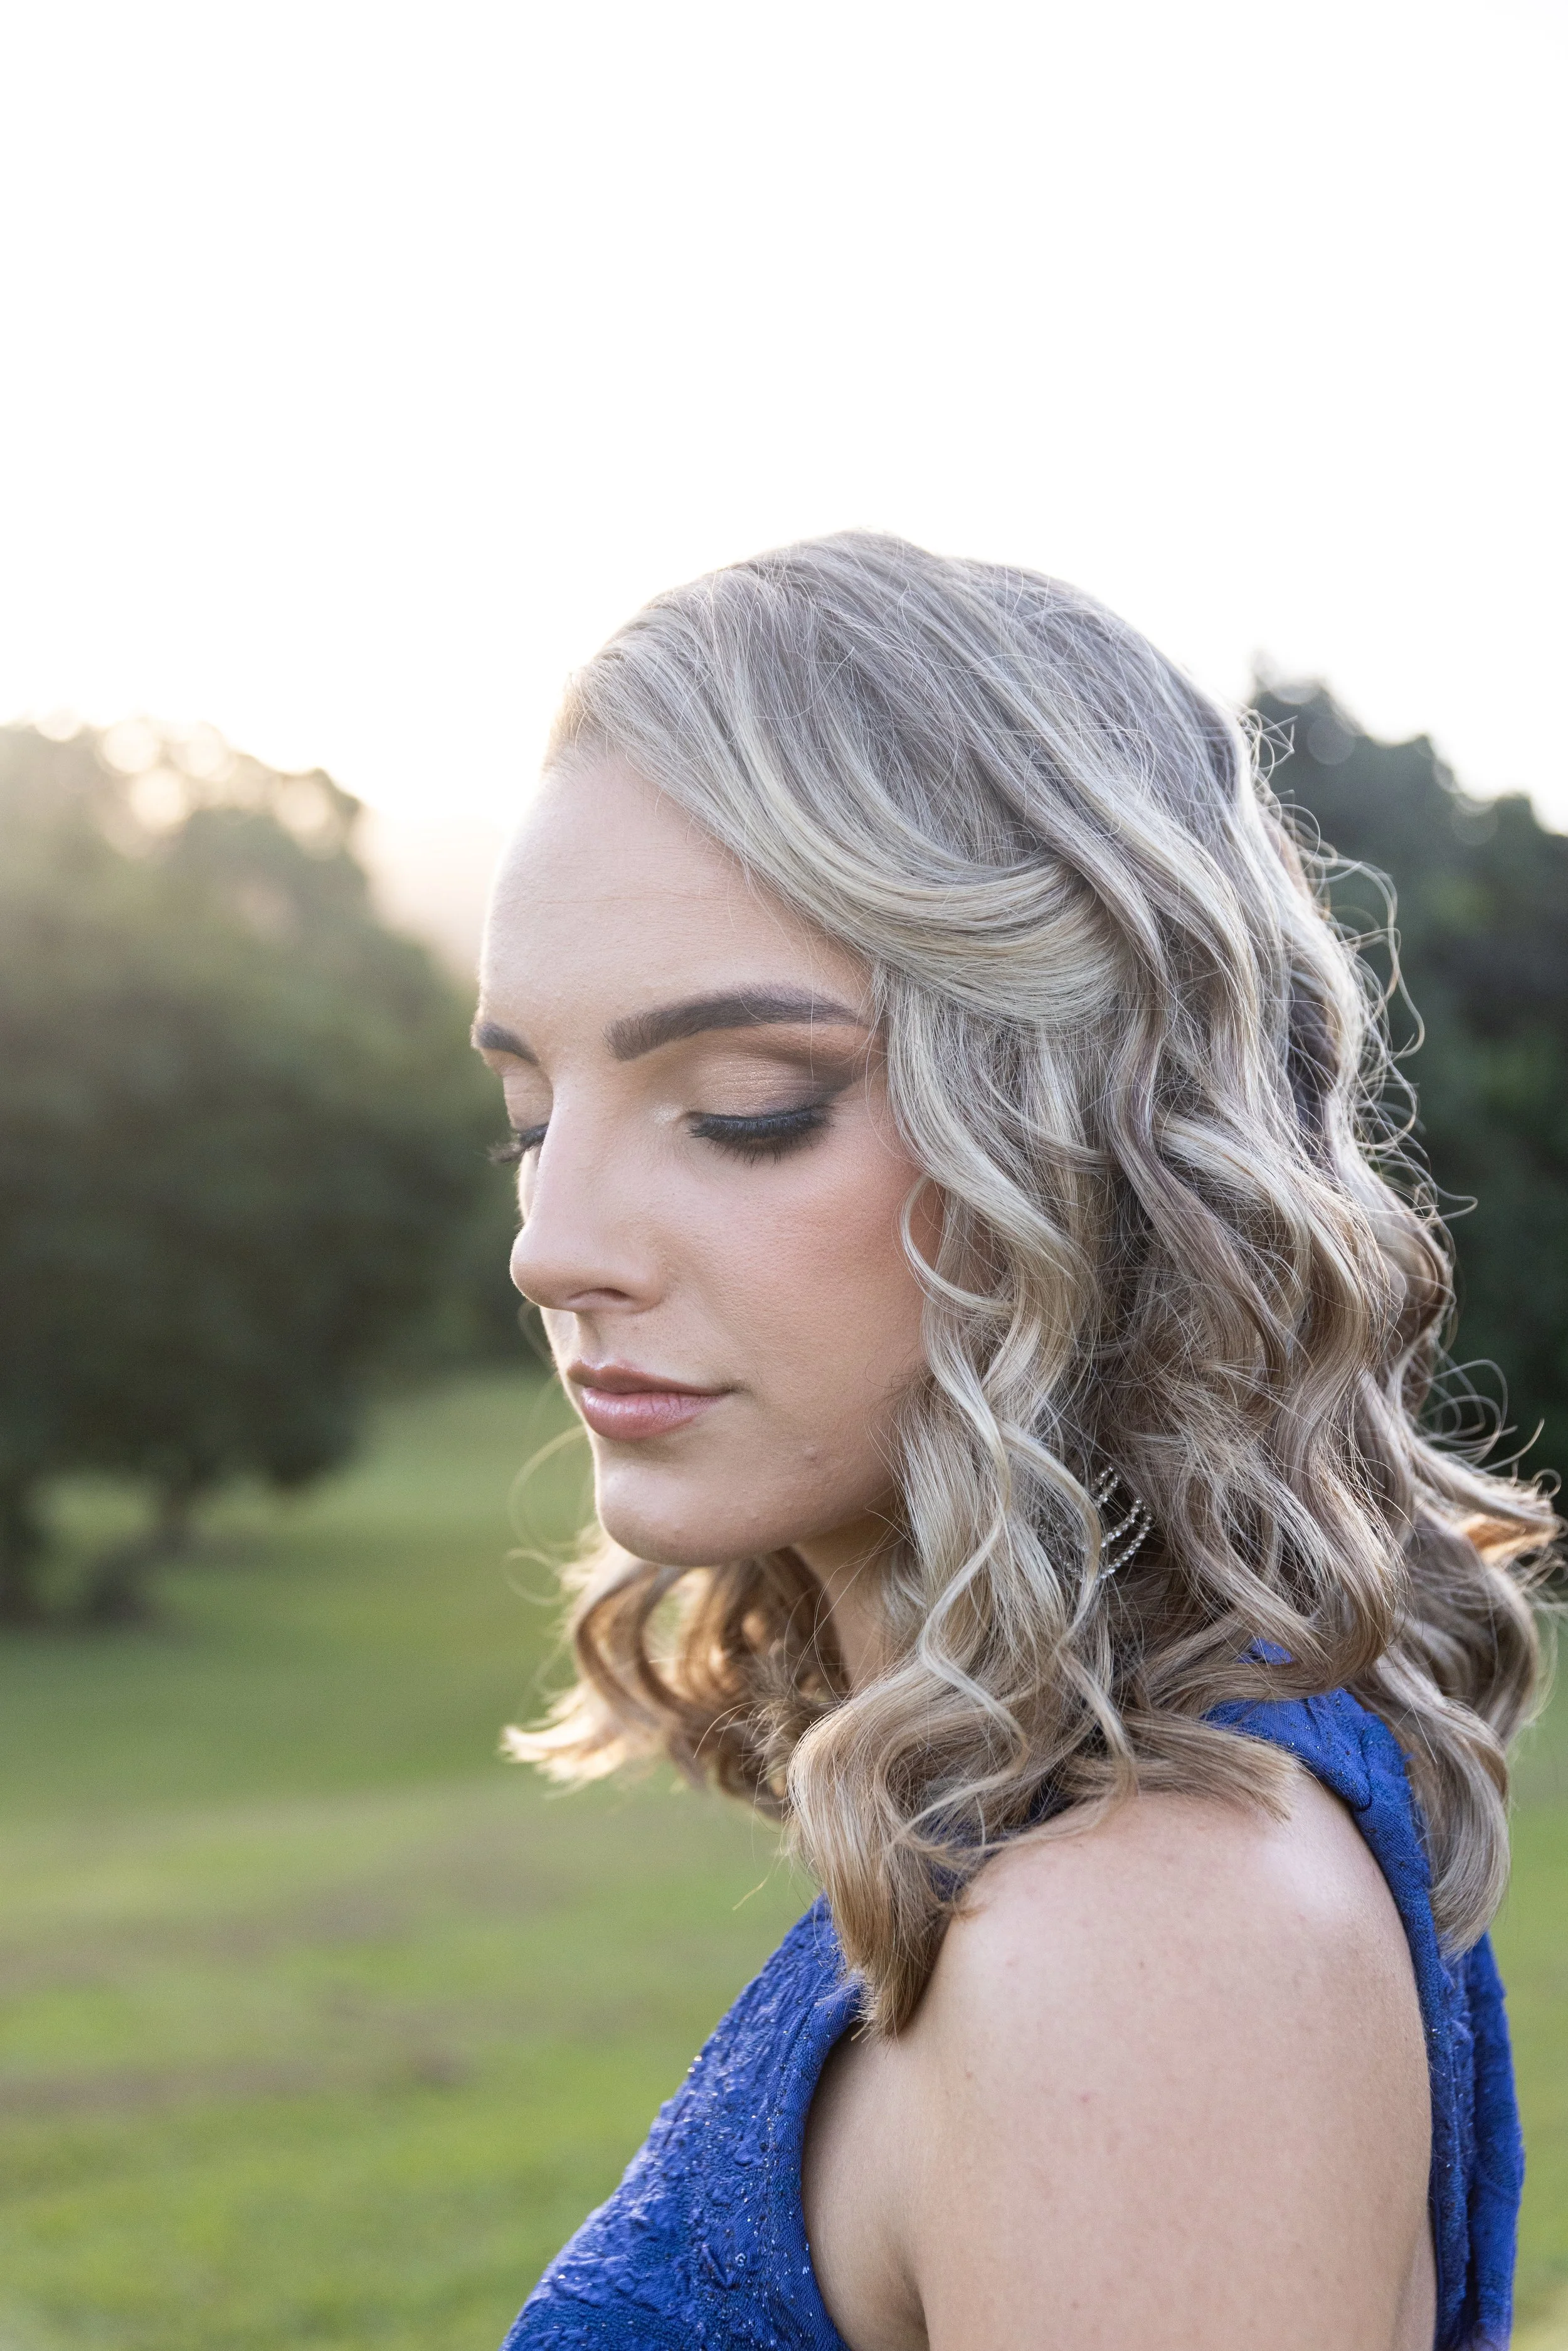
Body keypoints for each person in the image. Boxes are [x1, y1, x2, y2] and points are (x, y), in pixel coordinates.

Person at [474, 534, 1552, 2351]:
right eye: (524, 1107)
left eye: (745, 1110)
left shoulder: (1153, 1941)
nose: (551, 1243)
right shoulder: (1048, 1843)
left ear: (1088, 1135)